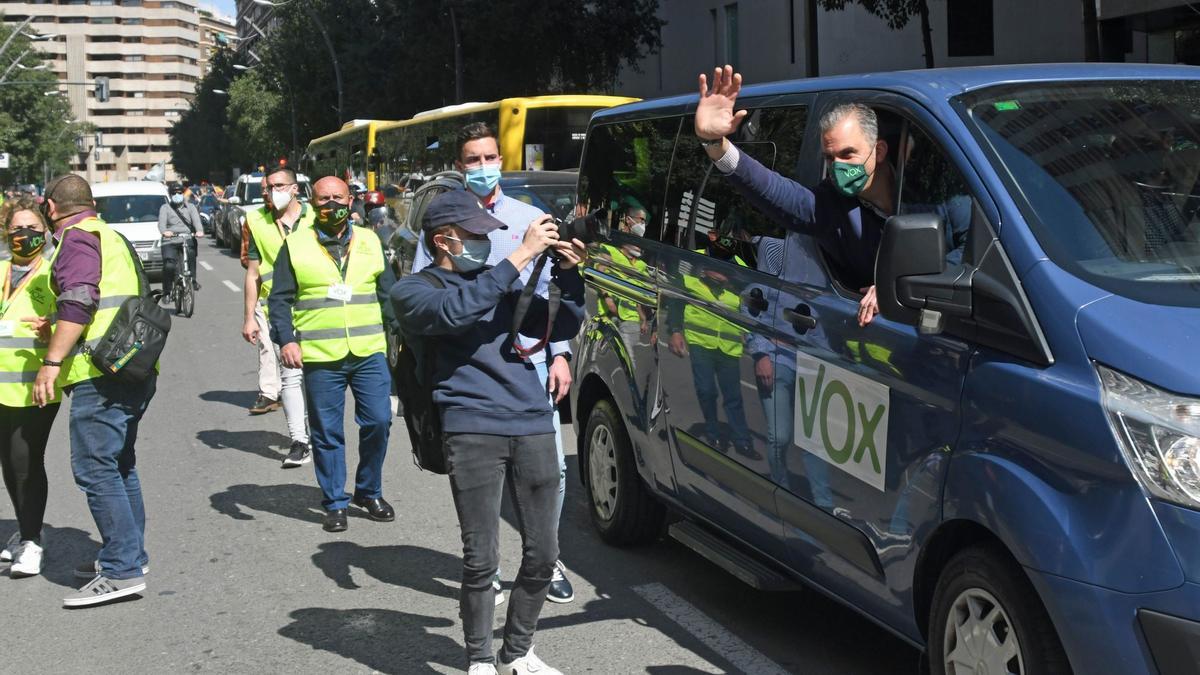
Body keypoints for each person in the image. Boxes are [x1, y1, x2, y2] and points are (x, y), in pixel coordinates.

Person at [391, 189, 586, 675]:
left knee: (544, 553)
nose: (485, 243)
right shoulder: (414, 291)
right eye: (475, 235)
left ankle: (518, 652)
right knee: (482, 558)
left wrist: (569, 272)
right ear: (443, 240)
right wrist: (520, 255)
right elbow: (455, 313)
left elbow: (562, 319)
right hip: (471, 427)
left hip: (532, 421)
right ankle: (479, 659)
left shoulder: (496, 281)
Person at [411, 122, 577, 604]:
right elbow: (432, 293)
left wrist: (560, 355)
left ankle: (546, 558)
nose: (483, 167)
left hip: (530, 364)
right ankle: (492, 569)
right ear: (460, 167)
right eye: (473, 160)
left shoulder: (530, 217)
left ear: (500, 160)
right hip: (474, 370)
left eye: (489, 157)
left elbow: (552, 295)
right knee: (486, 479)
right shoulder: (444, 226)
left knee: (551, 475)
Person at [695, 66, 967, 326]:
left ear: (879, 151)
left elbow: (977, 249)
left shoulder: (936, 191)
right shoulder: (830, 204)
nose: (838, 167)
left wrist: (902, 283)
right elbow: (774, 191)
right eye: (830, 157)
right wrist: (716, 145)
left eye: (848, 154)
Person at [32, 174, 156, 608]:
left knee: (94, 467)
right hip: (133, 365)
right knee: (119, 464)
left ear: (51, 208)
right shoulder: (110, 235)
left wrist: (51, 361)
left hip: (99, 370)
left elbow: (81, 299)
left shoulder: (76, 239)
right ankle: (128, 556)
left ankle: (121, 569)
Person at [268, 176, 396, 532]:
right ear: (312, 201)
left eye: (338, 198)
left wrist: (406, 337)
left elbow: (389, 296)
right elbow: (278, 300)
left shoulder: (371, 241)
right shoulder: (294, 246)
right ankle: (335, 501)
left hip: (369, 351)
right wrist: (287, 340)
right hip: (321, 355)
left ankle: (368, 491)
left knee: (378, 422)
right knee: (327, 432)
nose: (332, 205)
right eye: (324, 199)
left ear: (351, 199)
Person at [0, 197, 59, 577]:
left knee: (25, 462)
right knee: (8, 462)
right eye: (17, 229)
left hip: (34, 386)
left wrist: (49, 330)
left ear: (45, 232)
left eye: (32, 229)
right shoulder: (1, 270)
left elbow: (75, 325)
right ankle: (23, 531)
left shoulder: (52, 272)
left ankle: (33, 542)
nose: (24, 236)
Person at [241, 167, 314, 465]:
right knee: (291, 376)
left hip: (316, 306)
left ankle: (322, 433)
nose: (273, 192)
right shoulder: (257, 221)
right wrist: (249, 317)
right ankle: (299, 440)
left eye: (279, 186)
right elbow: (253, 273)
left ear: (295, 188)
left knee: (319, 377)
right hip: (279, 308)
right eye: (269, 187)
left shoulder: (315, 216)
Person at [158, 182, 204, 298]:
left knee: (191, 254)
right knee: (169, 266)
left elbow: (197, 222)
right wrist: (165, 232)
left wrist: (199, 231)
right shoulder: (165, 208)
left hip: (186, 238)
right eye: (174, 193)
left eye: (179, 193)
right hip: (170, 240)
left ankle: (192, 280)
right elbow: (161, 224)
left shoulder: (191, 207)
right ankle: (167, 291)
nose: (177, 195)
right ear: (170, 195)